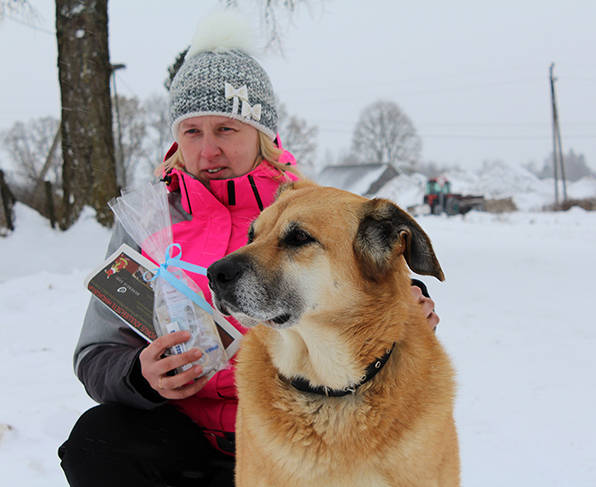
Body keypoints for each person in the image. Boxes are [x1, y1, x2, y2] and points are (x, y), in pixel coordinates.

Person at [58, 11, 439, 487]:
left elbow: (359, 259)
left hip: (290, 429)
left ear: (261, 133)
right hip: (183, 434)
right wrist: (140, 375)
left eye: (226, 130)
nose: (207, 150)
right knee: (98, 439)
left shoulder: (303, 204)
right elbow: (97, 350)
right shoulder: (148, 222)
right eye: (191, 131)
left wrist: (412, 294)